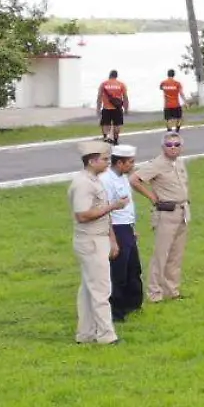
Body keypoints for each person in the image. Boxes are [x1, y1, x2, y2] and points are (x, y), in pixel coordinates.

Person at [70, 140, 125, 345]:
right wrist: (113, 207)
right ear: (92, 161)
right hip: (90, 240)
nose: (108, 163)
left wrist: (112, 239)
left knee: (88, 289)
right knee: (101, 289)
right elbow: (82, 215)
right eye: (104, 159)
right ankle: (106, 335)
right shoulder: (83, 184)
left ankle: (85, 333)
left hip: (97, 238)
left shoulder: (93, 180)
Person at [132, 131, 191, 301]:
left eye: (176, 145)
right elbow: (135, 179)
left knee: (176, 254)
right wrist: (152, 197)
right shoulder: (157, 164)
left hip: (182, 210)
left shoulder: (179, 162)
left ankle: (172, 290)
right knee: (161, 254)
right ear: (163, 147)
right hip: (166, 212)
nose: (173, 148)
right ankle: (154, 293)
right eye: (169, 145)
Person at [101, 144, 144, 321]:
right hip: (116, 227)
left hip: (126, 226)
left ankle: (132, 303)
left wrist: (132, 228)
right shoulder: (106, 180)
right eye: (130, 162)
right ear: (119, 163)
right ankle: (116, 310)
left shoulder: (123, 177)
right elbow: (107, 210)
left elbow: (128, 206)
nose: (132, 165)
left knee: (133, 268)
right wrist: (112, 239)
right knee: (118, 271)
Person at [96, 70, 128, 145]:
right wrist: (126, 108)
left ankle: (105, 137)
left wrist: (98, 108)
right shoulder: (121, 84)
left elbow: (99, 97)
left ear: (109, 75)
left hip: (106, 108)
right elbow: (125, 97)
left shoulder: (104, 84)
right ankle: (116, 140)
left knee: (105, 124)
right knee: (117, 124)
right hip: (117, 108)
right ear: (116, 76)